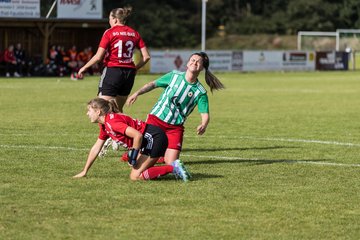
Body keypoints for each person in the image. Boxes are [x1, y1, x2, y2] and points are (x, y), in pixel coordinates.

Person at [126, 52, 225, 165]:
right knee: (141, 159)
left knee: (172, 163)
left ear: (202, 68)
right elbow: (153, 84)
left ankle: (159, 153)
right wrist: (137, 93)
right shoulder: (174, 76)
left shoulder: (200, 92)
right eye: (192, 60)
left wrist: (204, 124)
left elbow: (205, 114)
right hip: (156, 120)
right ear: (187, 63)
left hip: (174, 128)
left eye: (198, 62)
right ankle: (134, 152)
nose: (195, 62)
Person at [73, 98, 191, 182]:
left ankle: (174, 168)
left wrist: (133, 156)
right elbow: (96, 148)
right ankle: (173, 168)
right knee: (138, 174)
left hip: (154, 138)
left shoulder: (112, 123)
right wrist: (85, 171)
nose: (87, 114)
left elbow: (138, 135)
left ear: (98, 112)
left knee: (135, 176)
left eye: (89, 111)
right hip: (151, 139)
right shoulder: (104, 125)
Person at [78, 6, 150, 112]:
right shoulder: (134, 33)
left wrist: (84, 67)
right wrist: (135, 68)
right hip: (129, 74)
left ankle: (106, 129)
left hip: (113, 70)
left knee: (101, 108)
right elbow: (146, 56)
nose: (109, 21)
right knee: (118, 110)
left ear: (115, 19)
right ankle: (123, 128)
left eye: (110, 19)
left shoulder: (109, 32)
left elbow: (98, 57)